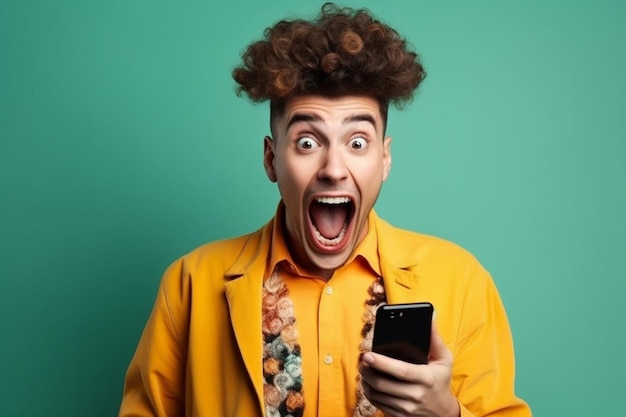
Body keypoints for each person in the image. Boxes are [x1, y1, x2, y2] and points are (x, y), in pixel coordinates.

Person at [118, 4, 531, 417]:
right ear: (270, 159)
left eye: (356, 143)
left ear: (384, 159)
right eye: (307, 142)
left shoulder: (461, 281)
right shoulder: (189, 285)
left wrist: (447, 414)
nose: (334, 169)